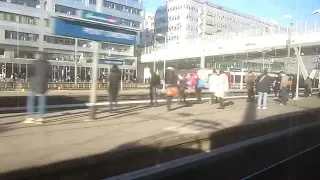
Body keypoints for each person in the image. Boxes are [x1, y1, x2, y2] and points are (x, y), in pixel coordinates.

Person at [22, 51, 51, 124]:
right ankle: (40, 118)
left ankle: (30, 117)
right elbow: (49, 75)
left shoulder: (34, 63)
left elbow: (30, 73)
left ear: (37, 56)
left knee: (31, 101)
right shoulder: (47, 64)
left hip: (34, 85)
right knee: (41, 102)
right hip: (43, 85)